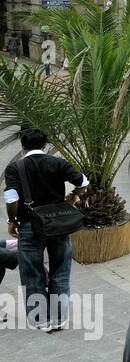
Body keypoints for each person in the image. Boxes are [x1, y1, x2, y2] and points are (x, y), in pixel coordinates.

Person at [4, 127, 90, 331]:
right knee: (60, 270)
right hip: (58, 225)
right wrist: (73, 197)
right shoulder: (57, 162)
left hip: (30, 225)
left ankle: (40, 320)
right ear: (45, 144)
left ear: (23, 147)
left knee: (32, 273)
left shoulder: (16, 168)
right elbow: (83, 182)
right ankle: (59, 318)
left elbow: (11, 198)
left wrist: (12, 221)